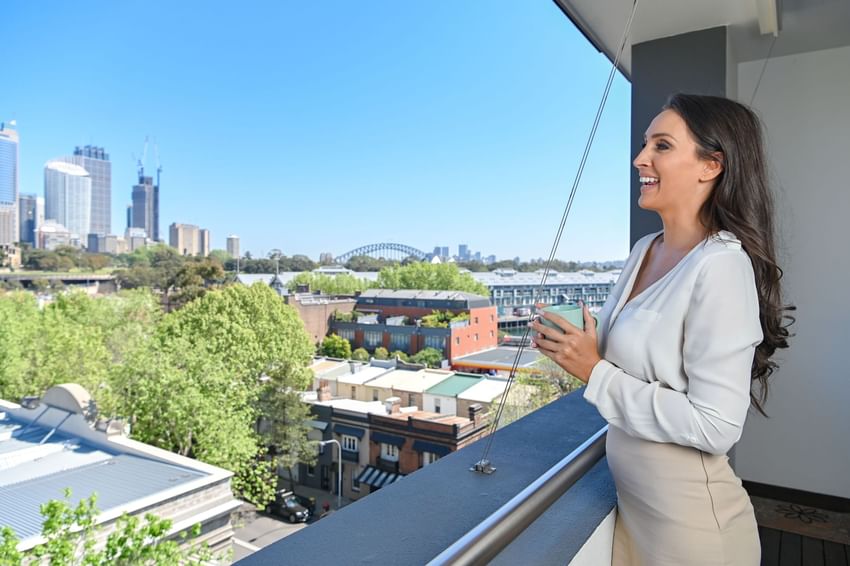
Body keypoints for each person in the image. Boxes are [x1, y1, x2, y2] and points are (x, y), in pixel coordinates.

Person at [531, 93, 793, 566]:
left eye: (662, 145)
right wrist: (575, 342)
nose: (640, 158)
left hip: (693, 534)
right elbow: (628, 357)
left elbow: (716, 426)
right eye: (644, 144)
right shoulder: (644, 249)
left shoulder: (720, 266)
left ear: (711, 166)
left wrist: (593, 371)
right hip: (634, 517)